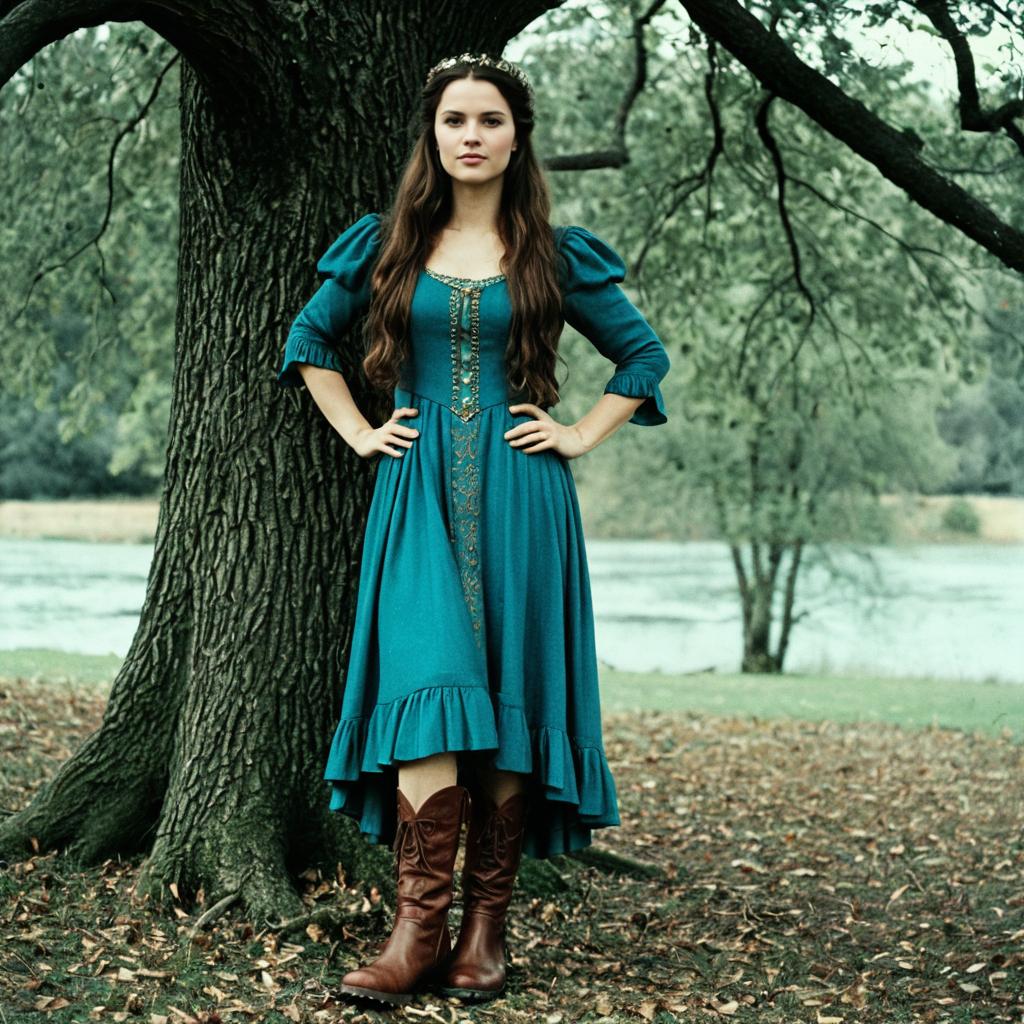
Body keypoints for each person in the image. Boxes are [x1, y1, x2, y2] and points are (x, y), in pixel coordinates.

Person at [276, 52, 671, 1007]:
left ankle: (485, 933)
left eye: (490, 120)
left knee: (506, 696)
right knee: (429, 689)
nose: (471, 136)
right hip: (415, 496)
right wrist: (361, 432)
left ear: (516, 137)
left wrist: (577, 433)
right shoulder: (386, 245)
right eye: (455, 120)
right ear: (433, 133)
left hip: (523, 498)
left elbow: (642, 357)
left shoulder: (554, 256)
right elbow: (309, 341)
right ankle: (415, 932)